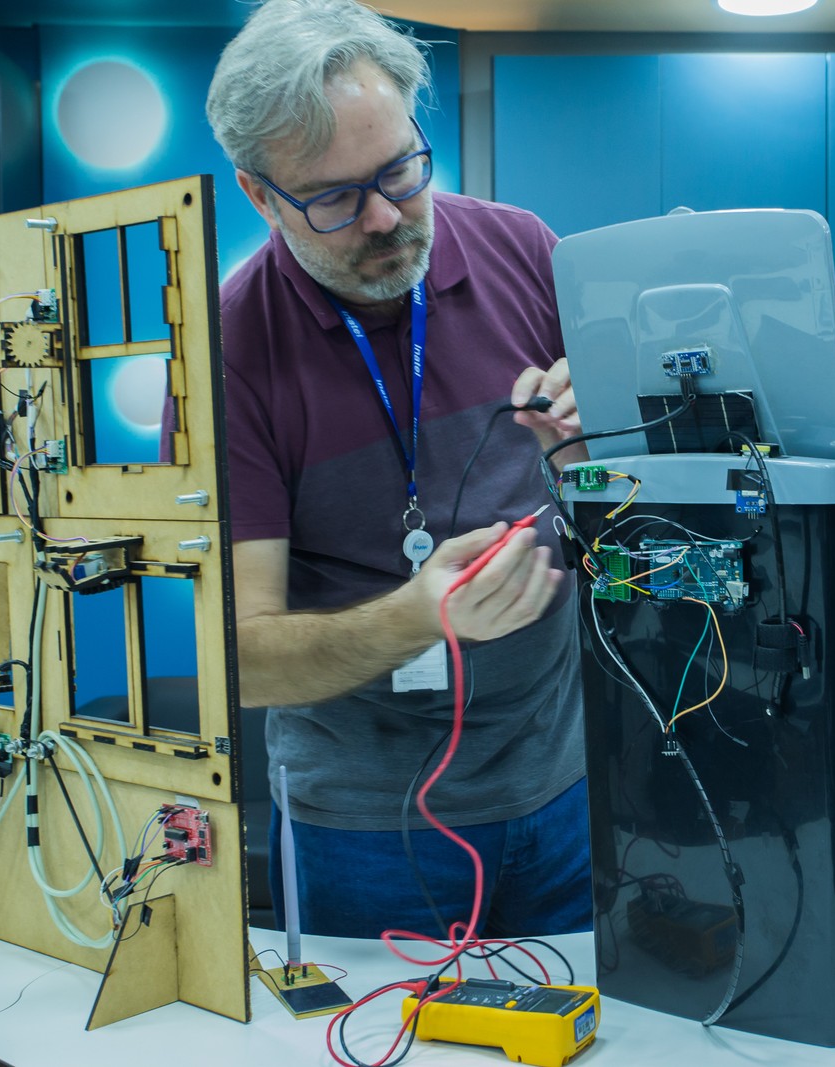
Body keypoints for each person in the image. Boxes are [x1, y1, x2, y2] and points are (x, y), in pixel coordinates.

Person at [205, 0, 591, 937]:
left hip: (567, 784)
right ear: (260, 195)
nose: (385, 217)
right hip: (364, 827)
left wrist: (586, 463)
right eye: (334, 198)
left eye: (401, 171)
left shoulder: (524, 251)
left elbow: (625, 532)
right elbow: (239, 659)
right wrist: (416, 615)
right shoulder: (228, 344)